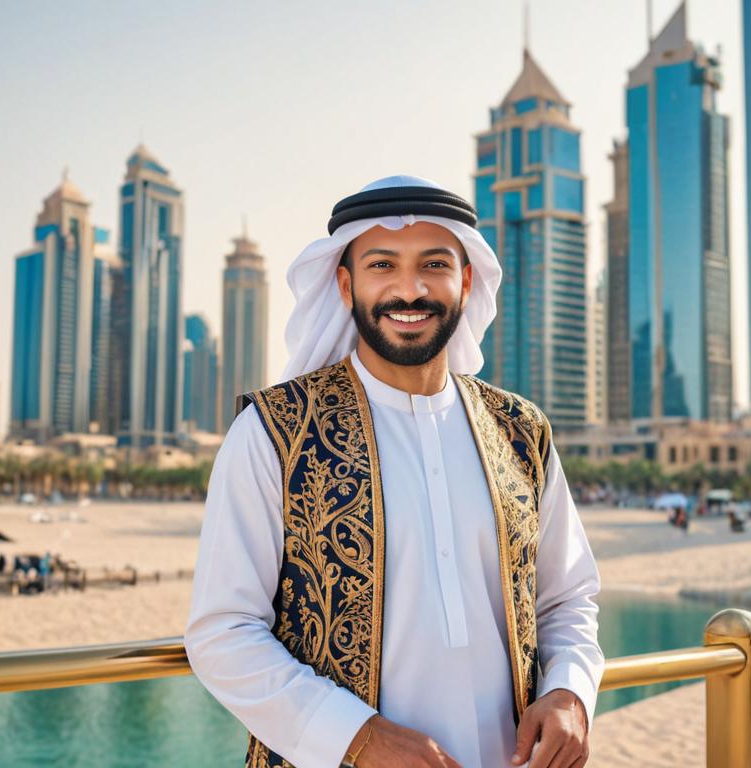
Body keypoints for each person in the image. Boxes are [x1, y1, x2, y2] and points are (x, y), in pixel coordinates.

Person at [185, 176, 604, 768]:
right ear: (345, 282)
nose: (410, 289)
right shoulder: (273, 431)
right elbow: (222, 632)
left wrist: (570, 691)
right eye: (383, 265)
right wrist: (356, 737)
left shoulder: (520, 431)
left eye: (433, 264)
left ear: (465, 280)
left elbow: (567, 596)